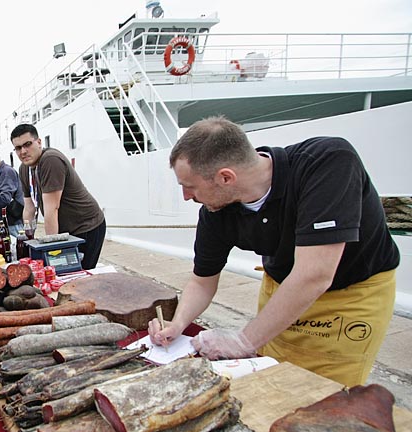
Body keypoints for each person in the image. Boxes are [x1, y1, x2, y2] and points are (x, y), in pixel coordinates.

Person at [148, 116, 400, 387]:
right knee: (271, 377)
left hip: (348, 297)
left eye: (191, 186)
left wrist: (244, 340)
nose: (187, 196)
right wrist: (179, 323)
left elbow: (314, 275)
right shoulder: (215, 212)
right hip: (282, 289)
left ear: (225, 177)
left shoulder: (328, 162)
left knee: (323, 392)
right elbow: (202, 280)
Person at [11, 123, 107, 270]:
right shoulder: (24, 168)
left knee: (78, 275)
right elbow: (29, 208)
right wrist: (26, 239)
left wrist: (52, 251)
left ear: (39, 142)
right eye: (18, 148)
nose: (23, 151)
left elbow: (52, 208)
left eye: (27, 144)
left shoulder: (50, 160)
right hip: (66, 229)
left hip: (86, 226)